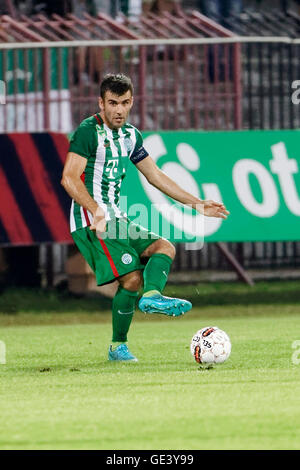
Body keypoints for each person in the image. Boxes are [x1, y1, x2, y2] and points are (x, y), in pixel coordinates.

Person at [61, 73, 229, 362]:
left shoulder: (131, 135)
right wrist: (95, 209)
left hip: (118, 218)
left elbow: (156, 176)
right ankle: (119, 345)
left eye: (124, 103)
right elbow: (68, 178)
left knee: (164, 247)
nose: (118, 110)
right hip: (91, 221)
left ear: (132, 101)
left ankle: (151, 298)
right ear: (101, 103)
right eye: (112, 103)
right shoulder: (88, 131)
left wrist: (197, 203)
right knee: (131, 279)